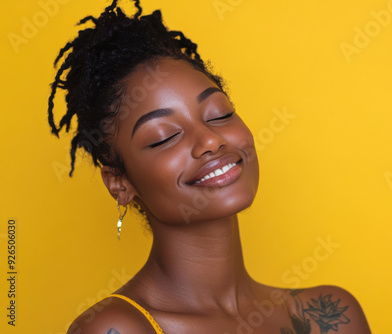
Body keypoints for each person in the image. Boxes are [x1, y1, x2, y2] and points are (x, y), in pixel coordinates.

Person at [48, 1, 371, 333]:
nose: (211, 141)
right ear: (119, 183)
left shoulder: (329, 316)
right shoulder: (117, 328)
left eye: (220, 114)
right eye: (164, 137)